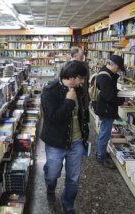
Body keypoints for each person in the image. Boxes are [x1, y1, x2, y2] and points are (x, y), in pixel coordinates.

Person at [41, 60, 89, 214]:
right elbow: (53, 118)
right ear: (73, 77)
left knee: (73, 178)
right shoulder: (50, 91)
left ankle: (68, 202)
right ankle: (50, 186)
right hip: (56, 142)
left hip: (76, 142)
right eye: (81, 78)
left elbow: (83, 113)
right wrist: (68, 101)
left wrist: (84, 135)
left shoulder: (80, 90)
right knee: (52, 174)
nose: (82, 82)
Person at [95, 55, 126, 168]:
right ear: (113, 65)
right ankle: (100, 156)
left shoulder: (107, 72)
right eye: (118, 68)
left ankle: (99, 152)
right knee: (105, 133)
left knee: (104, 132)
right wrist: (121, 100)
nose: (118, 71)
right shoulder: (105, 76)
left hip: (105, 108)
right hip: (106, 109)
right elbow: (109, 96)